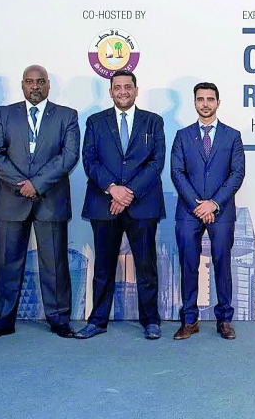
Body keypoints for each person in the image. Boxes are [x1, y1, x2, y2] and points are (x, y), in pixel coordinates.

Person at [0, 65, 80, 340]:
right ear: (22, 84)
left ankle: (59, 320)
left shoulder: (67, 116)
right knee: (7, 263)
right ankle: (3, 321)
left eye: (40, 82)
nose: (35, 86)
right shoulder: (3, 114)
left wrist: (37, 184)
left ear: (49, 85)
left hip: (51, 199)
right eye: (29, 82)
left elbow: (69, 156)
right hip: (12, 198)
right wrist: (21, 184)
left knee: (55, 264)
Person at [75, 69, 167, 340]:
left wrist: (129, 193)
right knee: (103, 267)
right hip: (104, 203)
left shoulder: (153, 122)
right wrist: (113, 190)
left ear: (136, 90)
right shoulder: (95, 121)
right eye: (118, 87)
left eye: (128, 86)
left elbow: (156, 162)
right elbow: (90, 160)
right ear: (111, 91)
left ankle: (150, 320)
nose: (123, 91)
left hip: (143, 204)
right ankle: (97, 320)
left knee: (146, 266)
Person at [170, 82, 246, 340]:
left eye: (210, 99)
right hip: (188, 210)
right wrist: (197, 204)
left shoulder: (232, 136)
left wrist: (213, 203)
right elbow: (177, 173)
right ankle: (189, 320)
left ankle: (224, 320)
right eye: (200, 99)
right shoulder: (182, 135)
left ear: (218, 103)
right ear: (194, 103)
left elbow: (237, 174)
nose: (205, 104)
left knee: (222, 265)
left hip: (221, 211)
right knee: (188, 265)